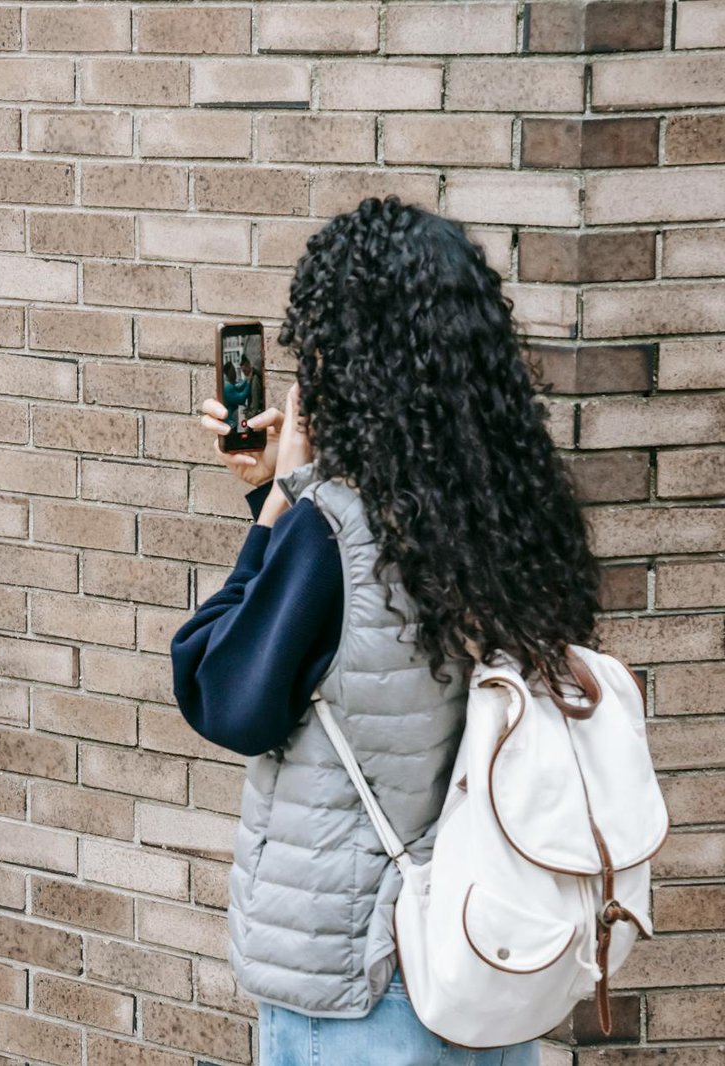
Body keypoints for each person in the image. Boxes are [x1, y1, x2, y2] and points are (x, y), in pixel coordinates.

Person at [173, 198, 598, 1065]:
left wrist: (280, 504)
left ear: (346, 359)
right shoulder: (509, 515)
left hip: (360, 984)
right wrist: (281, 497)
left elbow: (221, 691)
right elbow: (358, 643)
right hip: (477, 957)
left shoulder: (329, 530)